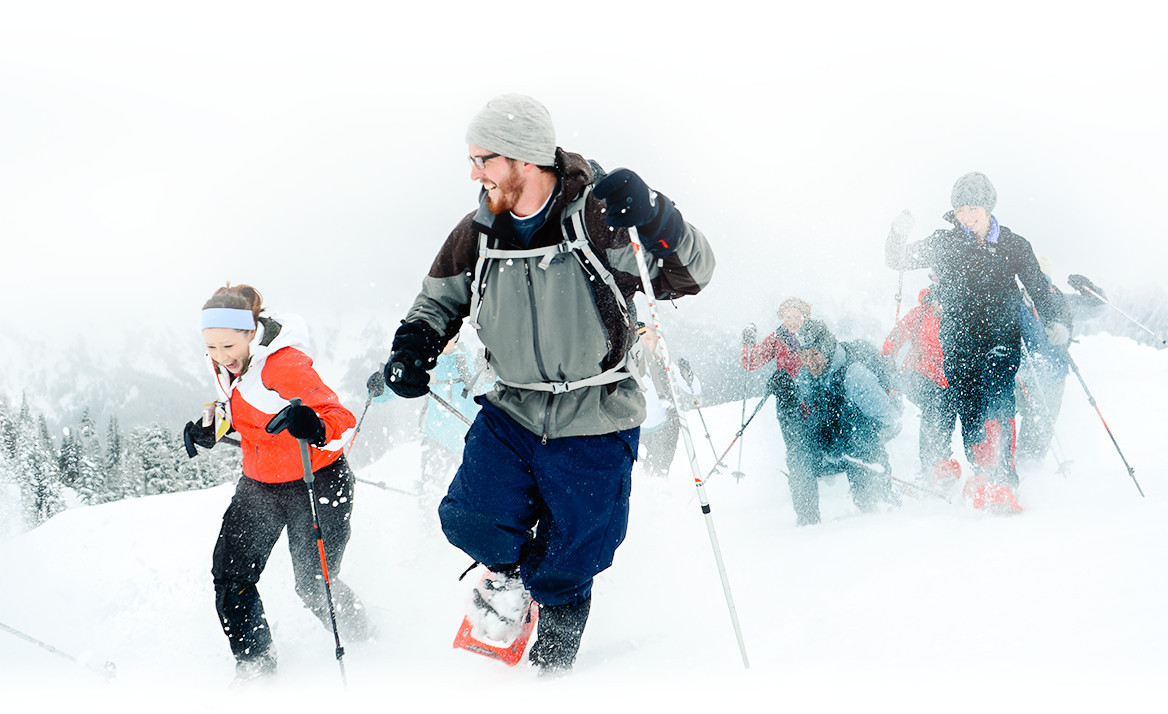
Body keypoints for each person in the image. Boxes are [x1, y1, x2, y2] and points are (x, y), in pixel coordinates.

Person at [376, 94, 715, 672]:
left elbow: (690, 274)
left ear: (524, 159)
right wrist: (413, 348)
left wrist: (659, 215)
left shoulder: (598, 218)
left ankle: (553, 666)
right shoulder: (478, 231)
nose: (475, 172)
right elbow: (438, 302)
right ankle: (508, 584)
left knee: (575, 552)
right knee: (470, 517)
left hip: (597, 411)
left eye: (483, 159)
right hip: (512, 407)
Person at [184, 284, 369, 680]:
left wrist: (315, 426)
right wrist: (211, 429)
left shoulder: (284, 365)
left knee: (313, 582)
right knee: (231, 576)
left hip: (316, 480)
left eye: (228, 346)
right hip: (261, 485)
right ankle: (256, 665)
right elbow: (240, 406)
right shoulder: (227, 363)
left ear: (252, 332)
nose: (220, 357)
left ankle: (366, 640)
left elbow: (342, 420)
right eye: (211, 348)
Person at [885, 172, 1070, 502]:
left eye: (973, 209)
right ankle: (982, 473)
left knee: (998, 399)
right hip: (957, 340)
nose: (967, 218)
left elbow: (1039, 288)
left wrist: (1055, 320)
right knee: (971, 409)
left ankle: (1003, 478)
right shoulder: (944, 243)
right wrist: (896, 234)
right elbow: (896, 260)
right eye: (960, 211)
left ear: (988, 208)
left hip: (1000, 335)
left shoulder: (1013, 245)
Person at [784, 319, 901, 526]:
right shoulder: (806, 377)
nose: (810, 361)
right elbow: (808, 417)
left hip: (861, 442)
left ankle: (880, 506)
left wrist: (855, 440)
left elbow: (890, 420)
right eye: (804, 355)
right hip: (835, 442)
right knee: (798, 453)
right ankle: (808, 523)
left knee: (858, 437)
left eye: (814, 354)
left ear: (826, 349)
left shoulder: (855, 375)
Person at [370, 335, 491, 495]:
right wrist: (380, 388)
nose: (442, 342)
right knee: (431, 491)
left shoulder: (469, 361)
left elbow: (493, 389)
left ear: (456, 338)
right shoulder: (428, 363)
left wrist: (490, 375)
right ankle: (426, 512)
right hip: (437, 441)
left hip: (471, 443)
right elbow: (401, 382)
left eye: (449, 336)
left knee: (472, 494)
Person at [1015, 264, 1108, 468]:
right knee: (1008, 418)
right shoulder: (1015, 302)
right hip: (1020, 375)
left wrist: (1089, 288)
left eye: (1042, 279)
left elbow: (1099, 306)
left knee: (1043, 423)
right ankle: (1002, 464)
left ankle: (1030, 467)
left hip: (1053, 376)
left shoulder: (1061, 301)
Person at [881, 286, 958, 479]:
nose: (940, 305)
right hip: (916, 373)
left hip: (944, 380)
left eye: (944, 301)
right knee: (934, 406)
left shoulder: (955, 317)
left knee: (946, 409)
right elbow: (897, 335)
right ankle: (929, 462)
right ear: (931, 300)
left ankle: (941, 461)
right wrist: (887, 355)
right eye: (937, 301)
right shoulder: (921, 314)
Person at [740, 296, 810, 462]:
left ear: (804, 317)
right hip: (787, 399)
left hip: (810, 399)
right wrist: (748, 343)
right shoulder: (777, 337)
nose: (792, 322)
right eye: (788, 317)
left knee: (812, 442)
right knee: (794, 448)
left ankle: (822, 477)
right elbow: (752, 362)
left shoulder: (814, 335)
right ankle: (800, 481)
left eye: (796, 317)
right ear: (782, 318)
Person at [637, 322, 700, 478]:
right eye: (640, 339)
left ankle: (661, 493)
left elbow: (695, 389)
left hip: (664, 427)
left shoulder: (665, 365)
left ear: (656, 343)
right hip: (639, 429)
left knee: (659, 471)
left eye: (649, 339)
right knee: (641, 473)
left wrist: (688, 375)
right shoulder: (630, 368)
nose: (644, 343)